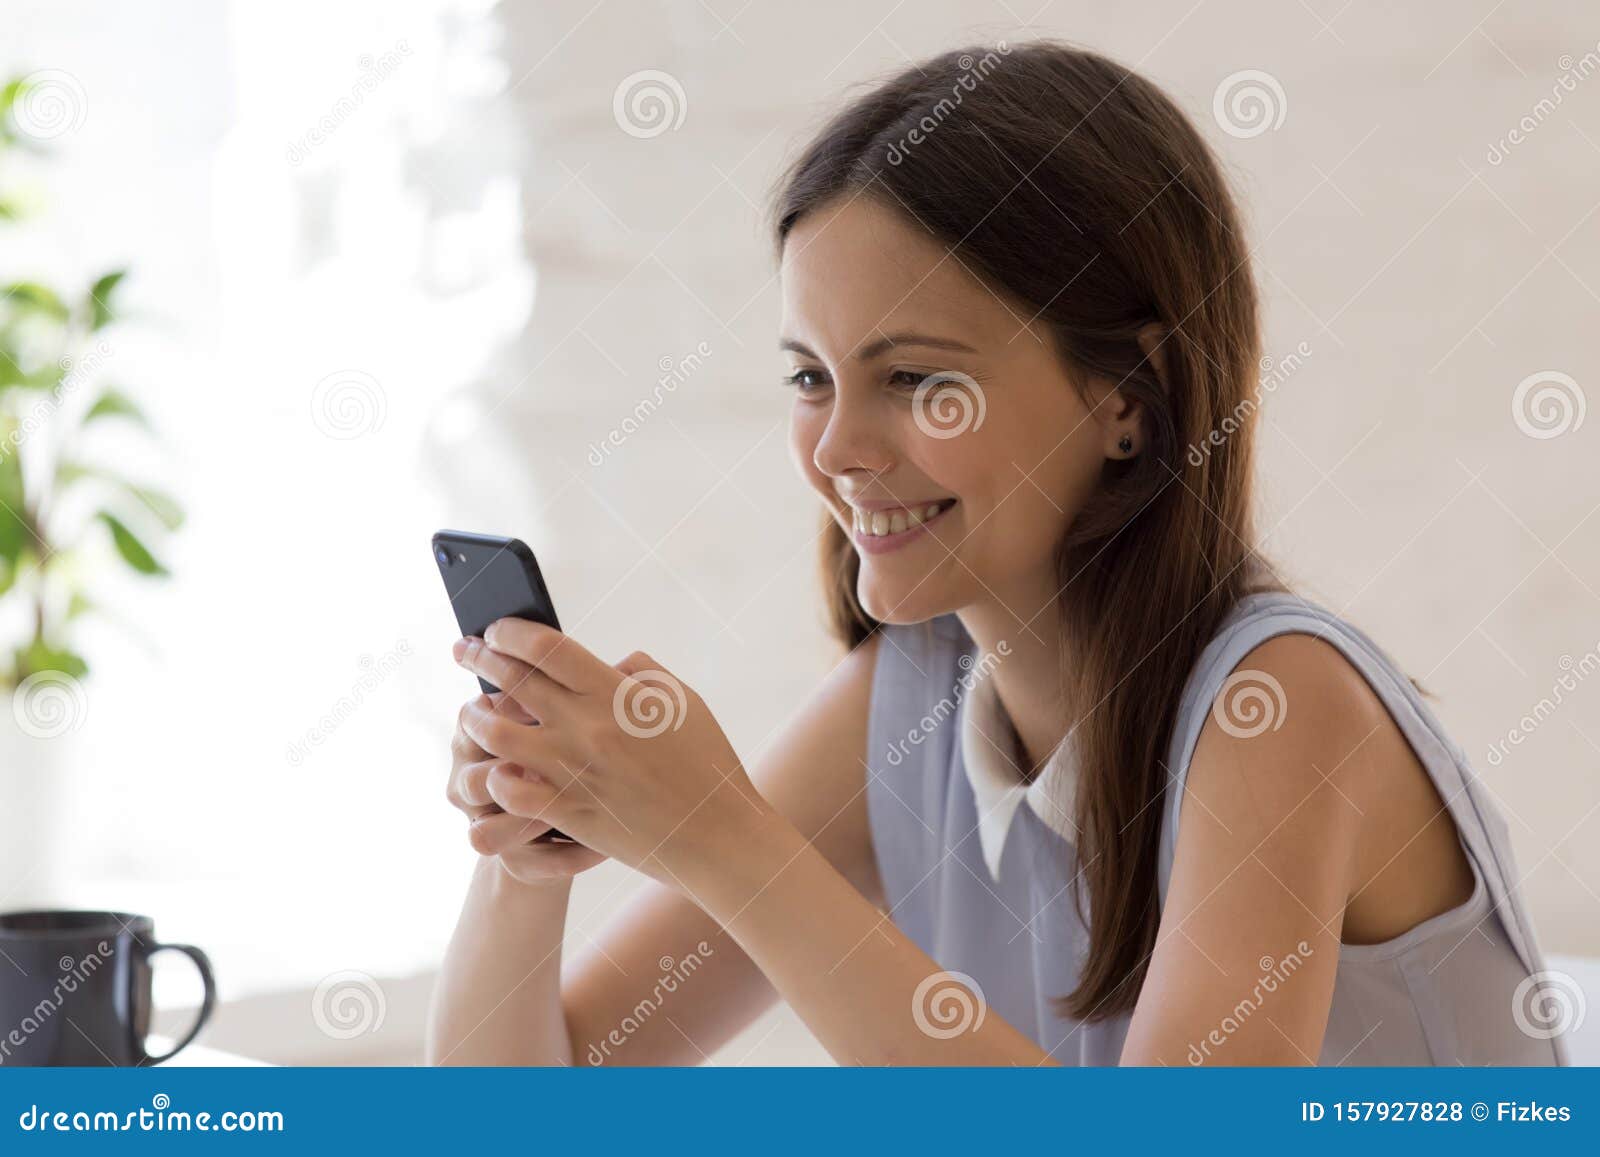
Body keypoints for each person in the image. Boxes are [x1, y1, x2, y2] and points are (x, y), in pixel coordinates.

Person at [426, 40, 1560, 1067]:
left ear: (1127, 395)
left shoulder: (1279, 706)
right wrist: (525, 844)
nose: (838, 450)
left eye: (918, 380)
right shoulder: (916, 692)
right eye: (811, 377)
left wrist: (725, 838)